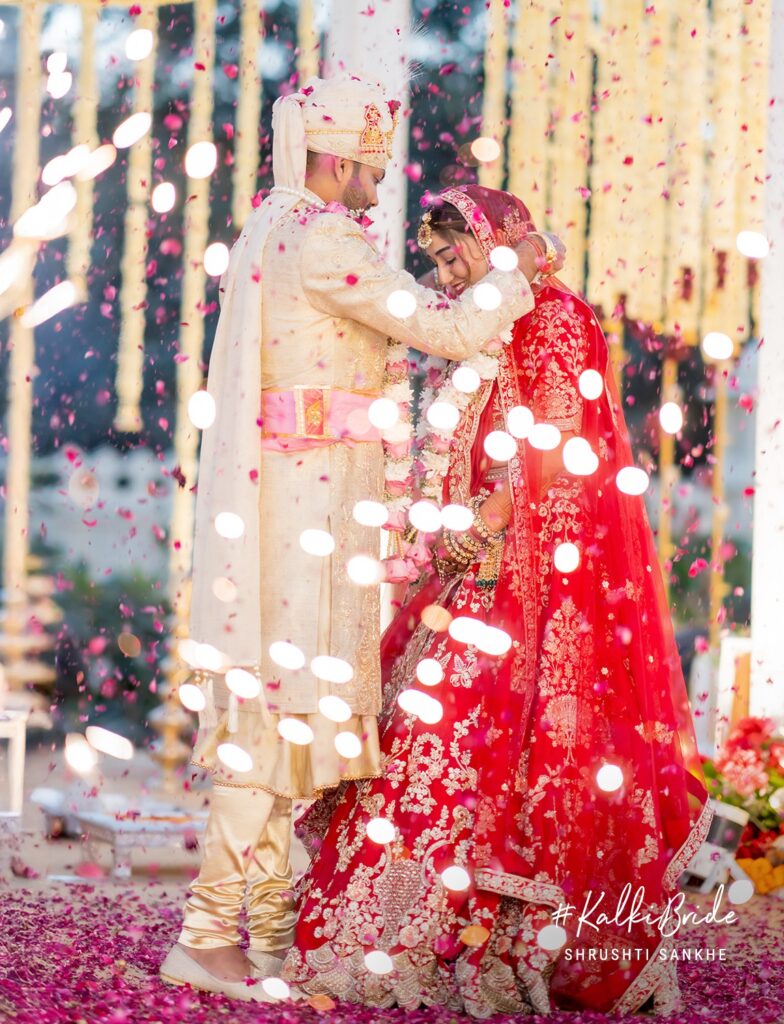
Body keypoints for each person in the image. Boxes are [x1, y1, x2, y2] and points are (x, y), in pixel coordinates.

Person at [160, 79, 564, 1001]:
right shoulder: (322, 237)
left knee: (286, 711)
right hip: (302, 505)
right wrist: (520, 269)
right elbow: (448, 330)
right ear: (337, 160)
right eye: (373, 169)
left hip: (302, 496)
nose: (379, 188)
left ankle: (266, 934)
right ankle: (206, 934)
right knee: (273, 716)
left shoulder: (271, 226)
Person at [281, 185, 712, 1015]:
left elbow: (558, 441)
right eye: (437, 262)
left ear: (497, 238)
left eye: (455, 256)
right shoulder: (488, 319)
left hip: (524, 577)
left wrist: (484, 523)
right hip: (471, 566)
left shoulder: (553, 316)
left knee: (456, 738)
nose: (445, 276)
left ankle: (477, 944)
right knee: (420, 734)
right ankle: (385, 937)